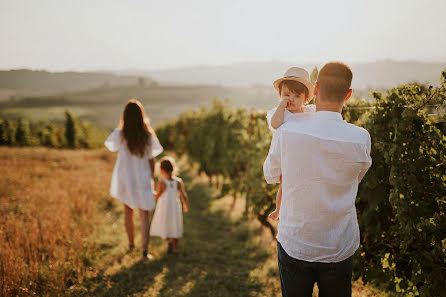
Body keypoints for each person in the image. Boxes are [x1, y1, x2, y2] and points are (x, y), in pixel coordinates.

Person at [263, 62, 372, 297]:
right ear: (349, 94)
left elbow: (271, 175)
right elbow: (358, 177)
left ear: (316, 88)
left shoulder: (286, 132)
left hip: (296, 242)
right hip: (339, 245)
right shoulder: (361, 138)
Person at [104, 99, 163, 260]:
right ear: (141, 115)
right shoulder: (147, 135)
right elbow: (152, 159)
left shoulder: (120, 134)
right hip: (142, 177)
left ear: (125, 116)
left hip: (125, 177)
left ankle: (131, 245)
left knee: (128, 211)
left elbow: (110, 145)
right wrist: (151, 178)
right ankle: (144, 251)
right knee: (144, 214)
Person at [266, 67, 315, 220]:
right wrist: (282, 105)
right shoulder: (281, 114)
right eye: (286, 95)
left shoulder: (309, 112)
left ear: (305, 98)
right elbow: (275, 124)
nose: (291, 99)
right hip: (287, 157)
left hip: (305, 156)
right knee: (284, 185)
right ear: (280, 95)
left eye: (296, 96)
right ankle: (279, 210)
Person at [150, 156, 189, 254]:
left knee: (165, 224)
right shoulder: (178, 181)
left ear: (162, 170)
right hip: (175, 207)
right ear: (173, 168)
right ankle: (175, 248)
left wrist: (152, 193)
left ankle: (168, 241)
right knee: (175, 224)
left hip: (165, 207)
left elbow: (157, 196)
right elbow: (184, 195)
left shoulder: (162, 182)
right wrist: (185, 205)